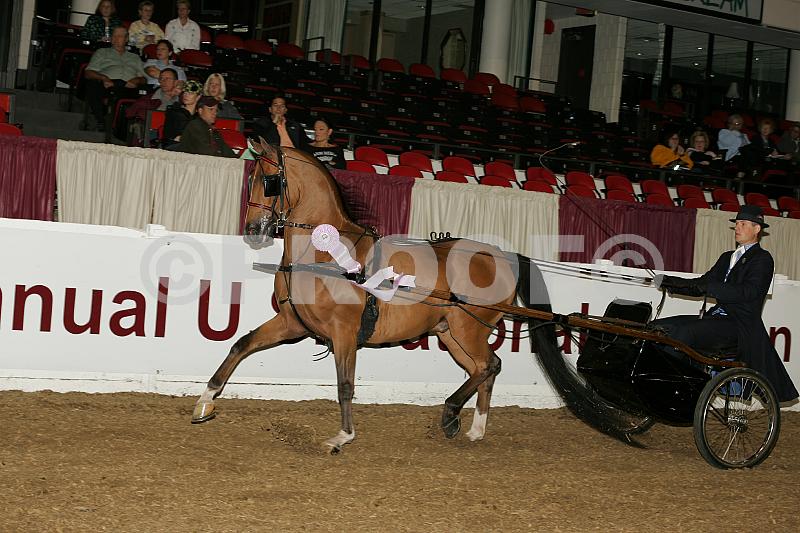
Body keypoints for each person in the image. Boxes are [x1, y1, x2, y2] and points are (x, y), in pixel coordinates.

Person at [653, 205, 798, 403]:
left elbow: (748, 291)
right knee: (661, 328)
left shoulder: (762, 259)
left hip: (738, 325)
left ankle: (671, 388)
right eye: (737, 223)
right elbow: (701, 284)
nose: (737, 228)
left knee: (684, 333)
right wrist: (669, 282)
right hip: (716, 319)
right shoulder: (726, 258)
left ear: (757, 229)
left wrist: (712, 287)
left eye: (743, 224)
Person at [83, 27, 146, 131]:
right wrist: (103, 78)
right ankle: (101, 121)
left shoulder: (135, 57)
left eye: (120, 36)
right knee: (92, 85)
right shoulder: (102, 52)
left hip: (129, 87)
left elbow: (144, 79)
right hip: (107, 84)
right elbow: (88, 72)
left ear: (126, 39)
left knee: (145, 91)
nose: (116, 39)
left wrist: (137, 80)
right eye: (114, 36)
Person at [162, 79, 202, 147]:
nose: (186, 95)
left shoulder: (199, 117)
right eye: (185, 92)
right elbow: (168, 136)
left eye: (190, 93)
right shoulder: (174, 112)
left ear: (198, 97)